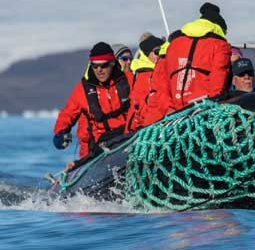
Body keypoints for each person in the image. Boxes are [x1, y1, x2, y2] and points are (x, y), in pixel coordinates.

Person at [53, 42, 134, 170]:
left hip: (128, 137)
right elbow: (67, 114)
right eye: (95, 66)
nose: (99, 70)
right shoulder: (83, 90)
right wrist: (60, 132)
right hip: (101, 145)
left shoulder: (128, 80)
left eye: (104, 65)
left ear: (112, 63)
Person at [160, 2, 232, 110]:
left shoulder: (174, 44)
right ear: (220, 28)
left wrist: (169, 108)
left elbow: (163, 82)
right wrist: (214, 105)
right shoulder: (220, 45)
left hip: (175, 111)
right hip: (202, 109)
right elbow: (219, 78)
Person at [127, 35, 168, 130]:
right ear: (146, 54)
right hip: (150, 128)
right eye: (157, 51)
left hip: (149, 126)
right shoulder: (147, 75)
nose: (160, 53)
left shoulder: (140, 73)